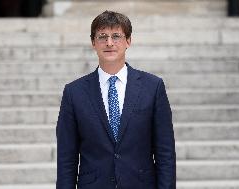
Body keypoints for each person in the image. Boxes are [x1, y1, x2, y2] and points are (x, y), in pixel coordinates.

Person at [56, 10, 176, 189]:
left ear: (128, 41)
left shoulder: (153, 87)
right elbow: (66, 158)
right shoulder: (74, 92)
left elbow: (165, 153)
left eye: (116, 36)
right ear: (93, 43)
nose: (109, 43)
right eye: (102, 36)